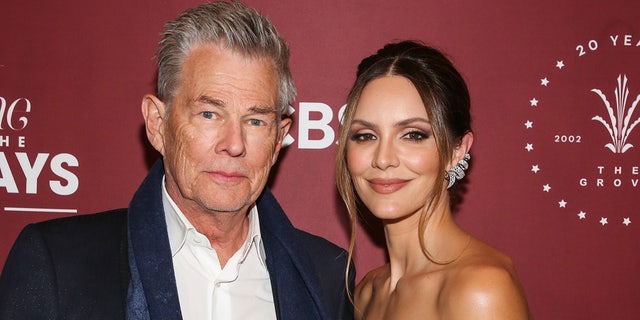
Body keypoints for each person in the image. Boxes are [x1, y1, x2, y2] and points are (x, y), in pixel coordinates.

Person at [0, 2, 353, 319]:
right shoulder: (59, 264)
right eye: (209, 114)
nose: (233, 145)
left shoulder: (327, 278)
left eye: (256, 121)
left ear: (278, 139)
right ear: (157, 124)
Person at [336, 40, 530, 319]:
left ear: (457, 150)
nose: (383, 158)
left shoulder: (480, 290)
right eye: (365, 135)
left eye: (413, 135)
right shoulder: (367, 293)